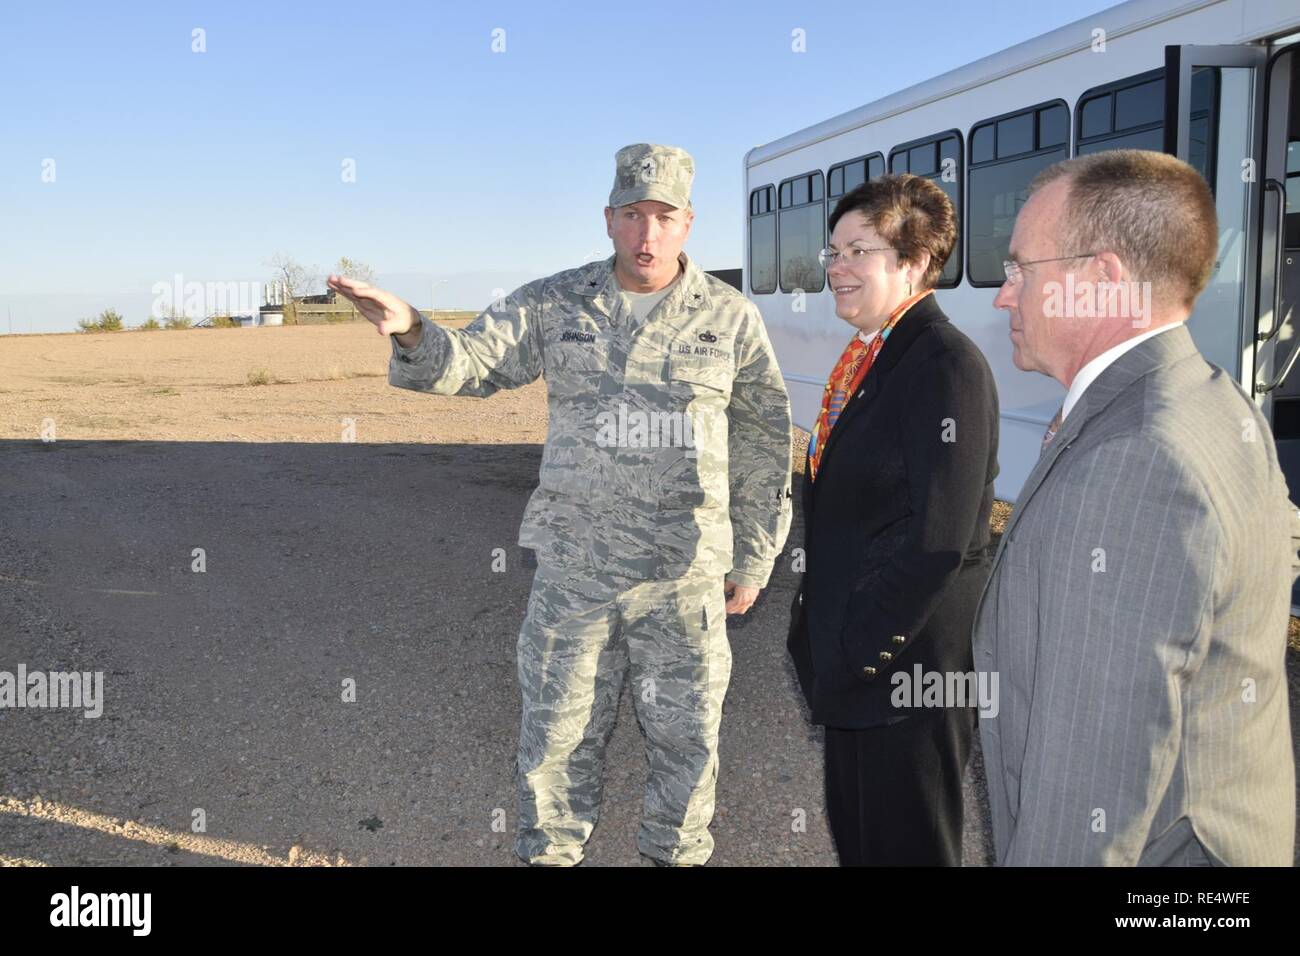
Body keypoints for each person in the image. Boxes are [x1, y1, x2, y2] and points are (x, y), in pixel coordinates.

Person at [328, 143, 793, 867]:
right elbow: (475, 364)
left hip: (685, 574)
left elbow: (762, 439)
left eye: (663, 217)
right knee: (555, 740)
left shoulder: (731, 319)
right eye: (633, 214)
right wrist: (412, 328)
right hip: (577, 571)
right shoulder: (554, 302)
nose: (648, 234)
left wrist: (756, 552)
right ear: (608, 218)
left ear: (688, 224)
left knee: (688, 743)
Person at [975, 148, 1300, 865]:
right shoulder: (1211, 399)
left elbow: (1089, 792)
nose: (1005, 295)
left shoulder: (1135, 458)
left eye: (1021, 269)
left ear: (1100, 281)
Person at [786, 173, 999, 865]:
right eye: (834, 253)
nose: (837, 270)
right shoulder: (870, 357)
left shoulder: (945, 366)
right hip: (859, 668)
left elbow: (939, 541)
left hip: (908, 671)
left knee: (909, 848)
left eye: (858, 252)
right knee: (863, 843)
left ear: (911, 263)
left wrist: (860, 651)